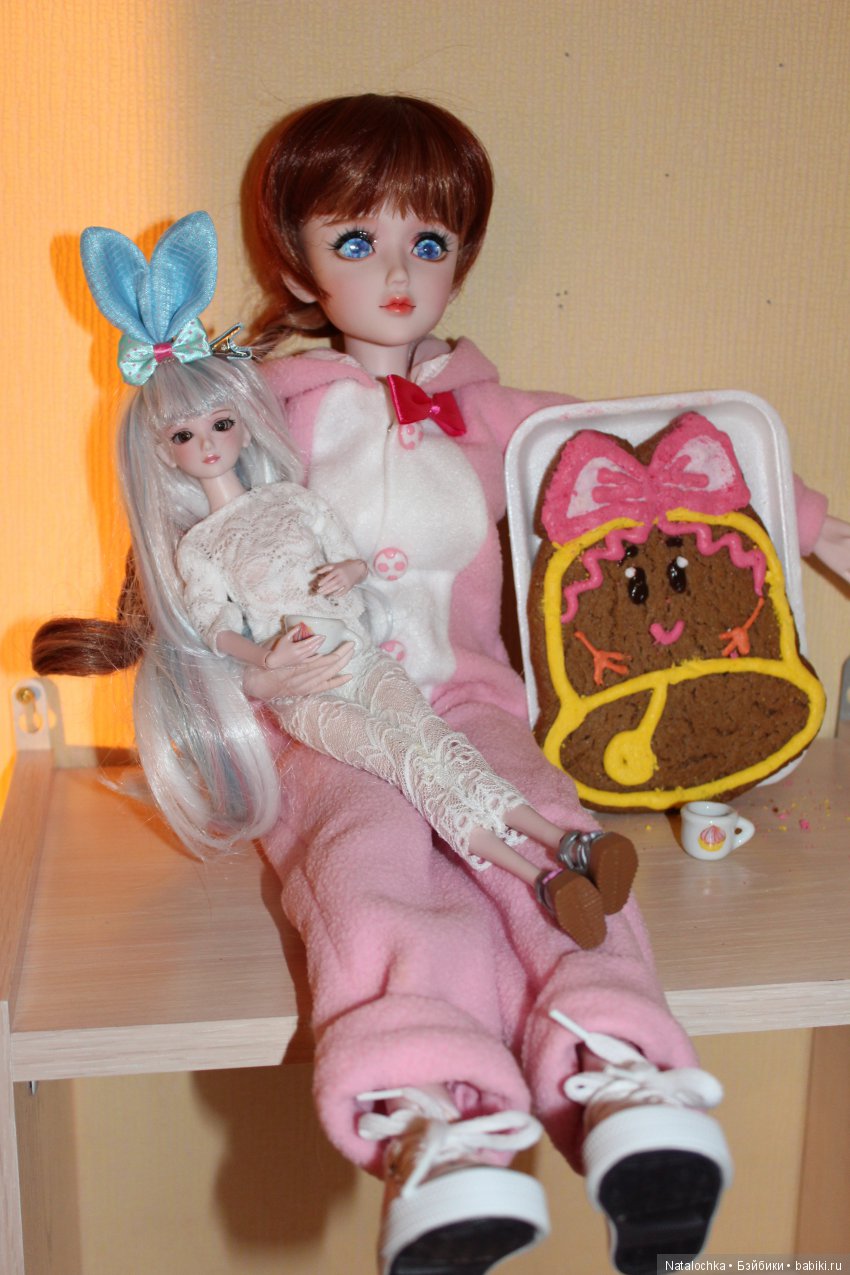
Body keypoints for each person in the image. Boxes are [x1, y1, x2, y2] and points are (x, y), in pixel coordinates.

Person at [238, 94, 740, 1275]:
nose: (396, 273)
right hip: (324, 716)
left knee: (549, 824)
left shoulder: (504, 421)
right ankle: (433, 1114)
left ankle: (620, 1067)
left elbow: (675, 464)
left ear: (461, 258)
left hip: (470, 701)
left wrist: (821, 529)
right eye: (355, 240)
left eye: (429, 241)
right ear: (298, 266)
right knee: (367, 859)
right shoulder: (257, 421)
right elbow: (183, 557)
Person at [67, 211, 637, 948]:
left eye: (220, 425)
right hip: (305, 692)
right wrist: (262, 658)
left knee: (434, 741)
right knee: (404, 763)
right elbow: (215, 626)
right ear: (163, 451)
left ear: (243, 423)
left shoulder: (291, 498)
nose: (207, 445)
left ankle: (568, 844)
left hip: (361, 657)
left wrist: (350, 570)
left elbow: (349, 554)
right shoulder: (200, 547)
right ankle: (539, 878)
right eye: (185, 435)